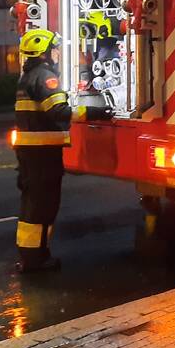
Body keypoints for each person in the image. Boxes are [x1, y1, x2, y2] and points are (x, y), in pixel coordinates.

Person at [12, 29, 111, 273]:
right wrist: (93, 112)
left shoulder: (27, 77)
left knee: (31, 205)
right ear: (44, 53)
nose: (57, 53)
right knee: (43, 206)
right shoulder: (46, 77)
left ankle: (30, 256)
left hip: (30, 153)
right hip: (43, 154)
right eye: (54, 49)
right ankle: (37, 259)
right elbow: (59, 112)